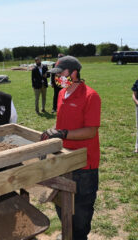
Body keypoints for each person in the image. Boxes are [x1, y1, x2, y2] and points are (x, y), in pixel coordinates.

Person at [41, 56, 101, 240]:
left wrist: (63, 133)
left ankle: (77, 236)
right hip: (63, 159)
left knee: (81, 213)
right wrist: (52, 135)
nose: (57, 78)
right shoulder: (61, 94)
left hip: (84, 166)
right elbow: (61, 125)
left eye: (60, 74)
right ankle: (68, 233)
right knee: (61, 204)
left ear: (74, 73)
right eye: (55, 75)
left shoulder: (91, 96)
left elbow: (91, 131)